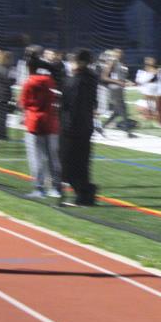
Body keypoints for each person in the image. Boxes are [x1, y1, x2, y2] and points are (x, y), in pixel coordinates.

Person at [20, 50, 63, 199]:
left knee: (36, 157)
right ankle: (56, 188)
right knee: (52, 156)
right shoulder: (49, 81)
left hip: (34, 123)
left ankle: (39, 188)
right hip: (51, 122)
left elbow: (24, 103)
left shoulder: (28, 83)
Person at [60, 49, 99, 206]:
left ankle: (85, 192)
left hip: (72, 127)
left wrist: (66, 125)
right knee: (82, 163)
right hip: (85, 125)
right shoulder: (91, 78)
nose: (70, 64)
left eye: (73, 61)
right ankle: (86, 194)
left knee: (68, 164)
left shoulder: (75, 81)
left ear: (80, 62)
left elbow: (70, 105)